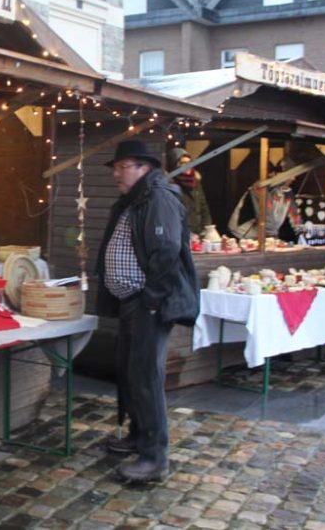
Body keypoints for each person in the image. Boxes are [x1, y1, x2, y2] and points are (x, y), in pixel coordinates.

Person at [94, 139, 198, 484]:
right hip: (133, 301)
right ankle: (138, 435)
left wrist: (152, 300)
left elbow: (166, 250)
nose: (116, 174)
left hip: (148, 302)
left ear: (145, 168)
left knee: (146, 377)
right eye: (116, 167)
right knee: (129, 371)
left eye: (123, 167)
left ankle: (155, 458)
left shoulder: (158, 198)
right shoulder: (134, 200)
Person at [165, 146, 213, 236]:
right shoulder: (170, 185)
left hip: (198, 232)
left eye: (189, 162)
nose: (187, 166)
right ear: (175, 164)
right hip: (178, 234)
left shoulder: (196, 182)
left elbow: (204, 207)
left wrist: (207, 228)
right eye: (183, 163)